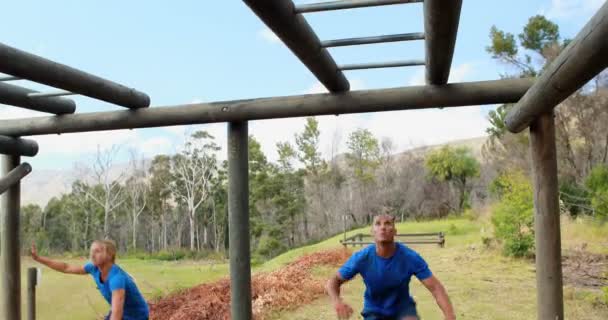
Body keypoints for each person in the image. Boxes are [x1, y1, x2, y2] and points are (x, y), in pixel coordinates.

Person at [327, 214, 456, 320]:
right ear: (372, 231)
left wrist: (450, 316)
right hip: (374, 311)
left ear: (394, 231)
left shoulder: (409, 257)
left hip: (403, 309)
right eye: (378, 223)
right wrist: (337, 301)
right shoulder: (362, 258)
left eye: (388, 223)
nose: (383, 227)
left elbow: (435, 287)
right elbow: (333, 281)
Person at [31, 239, 149, 320]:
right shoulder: (93, 268)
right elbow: (66, 267)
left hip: (136, 317)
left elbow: (117, 315)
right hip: (121, 313)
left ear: (109, 255)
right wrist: (39, 258)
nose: (92, 255)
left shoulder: (116, 279)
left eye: (97, 251)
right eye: (91, 251)